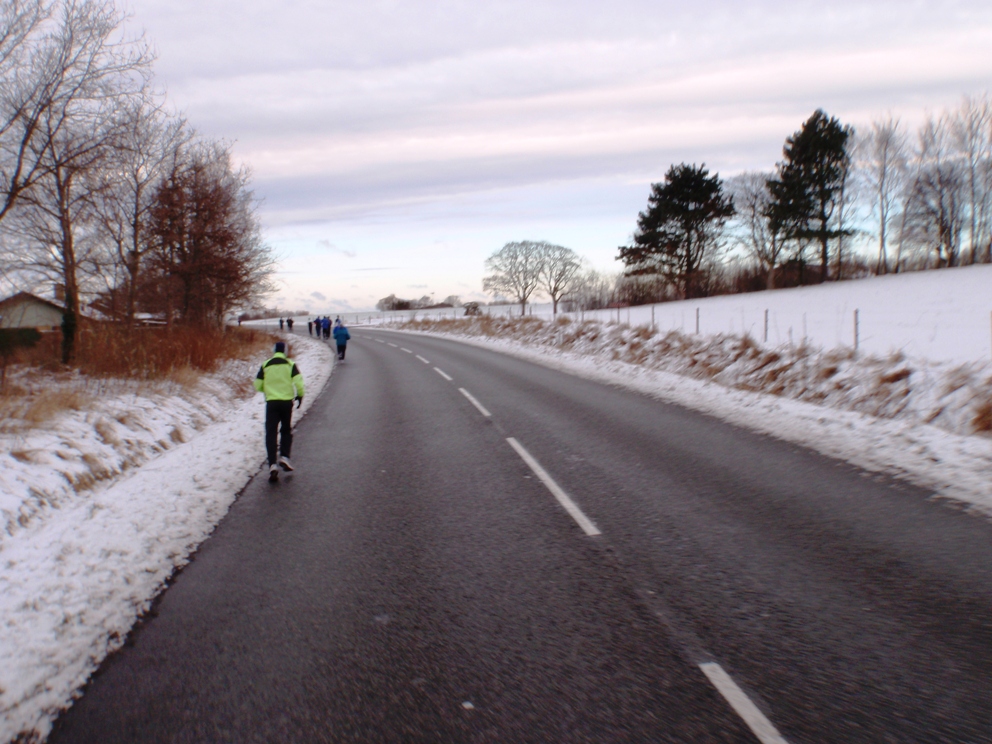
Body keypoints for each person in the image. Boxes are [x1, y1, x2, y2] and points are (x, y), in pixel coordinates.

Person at [253, 341, 305, 481]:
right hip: (287, 402)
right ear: (285, 351)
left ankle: (272, 464)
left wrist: (268, 390)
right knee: (286, 429)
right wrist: (300, 395)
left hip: (271, 402)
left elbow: (257, 385)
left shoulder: (265, 365)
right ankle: (285, 456)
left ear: (273, 350)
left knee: (271, 432)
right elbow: (299, 383)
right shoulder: (290, 364)